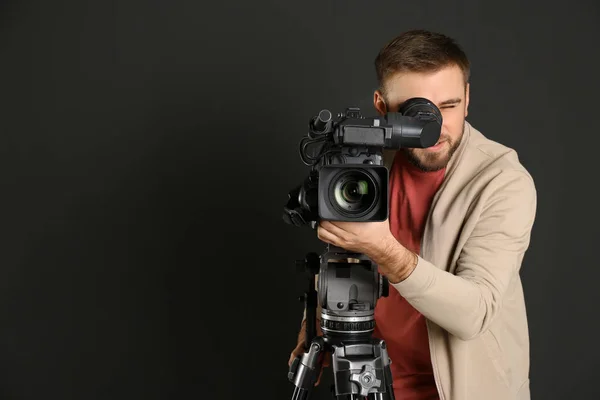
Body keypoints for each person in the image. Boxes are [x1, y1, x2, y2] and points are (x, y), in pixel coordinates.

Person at [288, 29, 537, 400]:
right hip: (372, 375)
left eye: (448, 106)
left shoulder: (502, 181)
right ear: (382, 106)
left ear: (468, 99)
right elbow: (341, 255)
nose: (432, 128)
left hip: (464, 389)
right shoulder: (362, 164)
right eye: (414, 112)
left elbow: (475, 313)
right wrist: (315, 323)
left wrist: (387, 252)